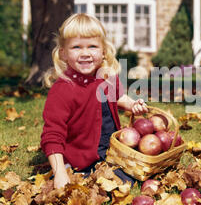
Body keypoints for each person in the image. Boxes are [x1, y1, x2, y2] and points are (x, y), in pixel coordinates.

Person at [41, 13, 148, 189]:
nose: (85, 53)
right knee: (93, 189)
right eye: (76, 47)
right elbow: (52, 135)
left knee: (134, 177)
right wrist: (60, 172)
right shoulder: (62, 89)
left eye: (92, 46)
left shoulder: (106, 77)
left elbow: (119, 97)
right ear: (63, 53)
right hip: (80, 160)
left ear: (103, 51)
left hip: (111, 152)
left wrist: (132, 105)